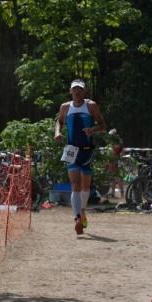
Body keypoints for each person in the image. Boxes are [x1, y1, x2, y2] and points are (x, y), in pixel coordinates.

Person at [54, 79, 107, 235]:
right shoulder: (65, 107)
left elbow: (103, 125)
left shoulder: (91, 105)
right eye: (74, 89)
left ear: (84, 91)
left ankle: (82, 211)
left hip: (87, 150)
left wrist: (93, 130)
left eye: (80, 89)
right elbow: (59, 122)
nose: (77, 91)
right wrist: (57, 132)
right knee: (74, 184)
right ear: (70, 91)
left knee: (85, 186)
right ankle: (77, 218)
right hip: (71, 149)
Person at [106, 129, 124, 199]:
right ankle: (113, 193)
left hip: (114, 161)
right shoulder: (117, 141)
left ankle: (121, 193)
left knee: (117, 178)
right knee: (113, 178)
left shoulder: (116, 142)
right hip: (113, 160)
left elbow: (116, 151)